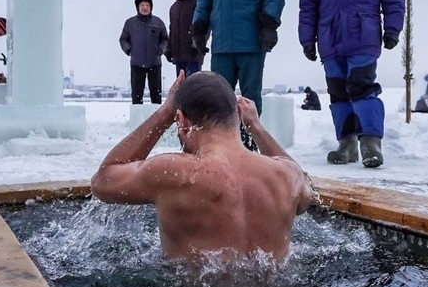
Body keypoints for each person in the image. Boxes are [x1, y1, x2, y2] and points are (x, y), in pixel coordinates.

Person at [90, 71, 316, 261]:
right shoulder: (285, 175)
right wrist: (256, 126)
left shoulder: (173, 173)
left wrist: (164, 113)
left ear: (182, 120)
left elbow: (103, 181)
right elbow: (306, 189)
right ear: (238, 114)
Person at [298, 0, 405, 168]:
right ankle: (346, 145)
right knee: (338, 92)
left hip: (363, 35)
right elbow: (307, 4)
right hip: (330, 40)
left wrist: (393, 27)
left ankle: (371, 144)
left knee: (362, 87)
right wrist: (306, 39)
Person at [119, 0, 169, 104]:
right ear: (138, 7)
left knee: (156, 96)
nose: (145, 7)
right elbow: (123, 39)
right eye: (142, 5)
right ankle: (138, 120)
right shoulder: (130, 23)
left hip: (154, 63)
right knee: (137, 96)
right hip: (137, 64)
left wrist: (161, 50)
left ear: (151, 7)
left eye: (147, 5)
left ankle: (157, 120)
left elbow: (165, 39)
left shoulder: (158, 22)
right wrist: (129, 50)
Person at [164, 0, 203, 77]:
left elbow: (204, 24)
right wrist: (169, 49)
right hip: (178, 55)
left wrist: (198, 43)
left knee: (194, 85)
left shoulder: (198, 2)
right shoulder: (173, 8)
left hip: (193, 53)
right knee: (181, 87)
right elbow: (171, 30)